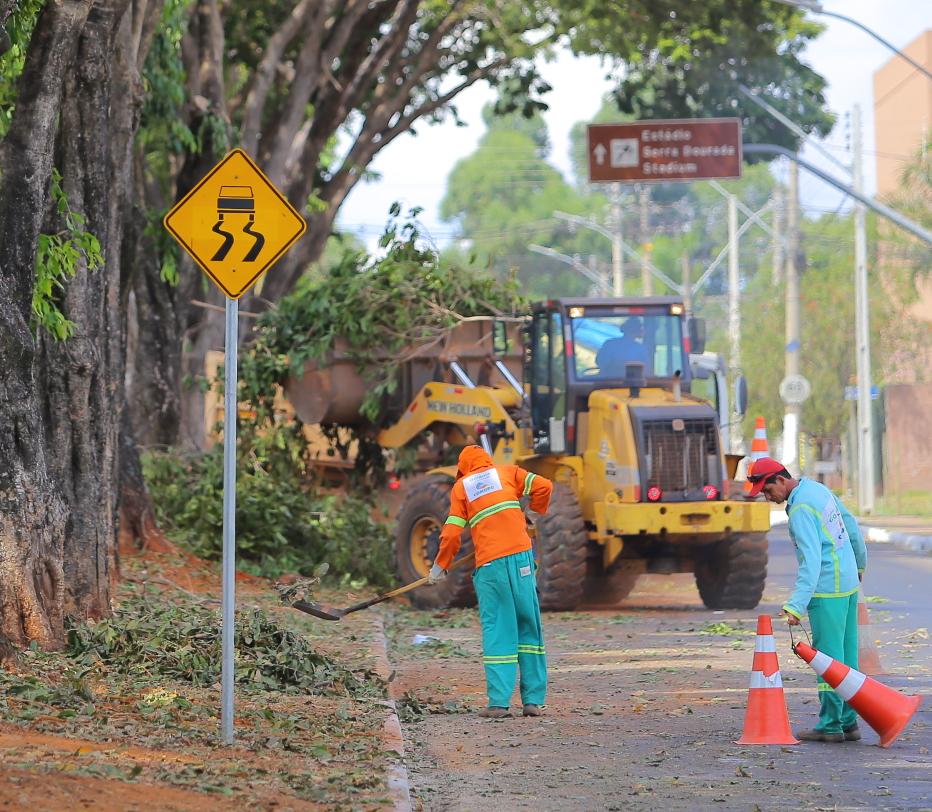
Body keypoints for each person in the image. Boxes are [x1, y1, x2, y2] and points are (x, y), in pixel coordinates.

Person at [747, 456, 867, 743]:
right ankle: (849, 721)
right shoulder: (818, 490)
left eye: (767, 490)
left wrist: (796, 605)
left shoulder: (800, 508)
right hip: (848, 585)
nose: (767, 497)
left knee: (827, 660)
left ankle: (830, 725)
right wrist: (859, 564)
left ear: (780, 479)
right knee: (848, 659)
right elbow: (851, 527)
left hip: (826, 591)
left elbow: (811, 561)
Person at [429, 445, 553, 719]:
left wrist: (440, 566)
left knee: (499, 627)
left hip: (491, 565)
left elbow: (451, 535)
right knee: (528, 625)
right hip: (522, 560)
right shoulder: (508, 472)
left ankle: (498, 704)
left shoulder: (462, 487)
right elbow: (544, 486)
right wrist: (531, 513)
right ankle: (533, 701)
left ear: (463, 469)